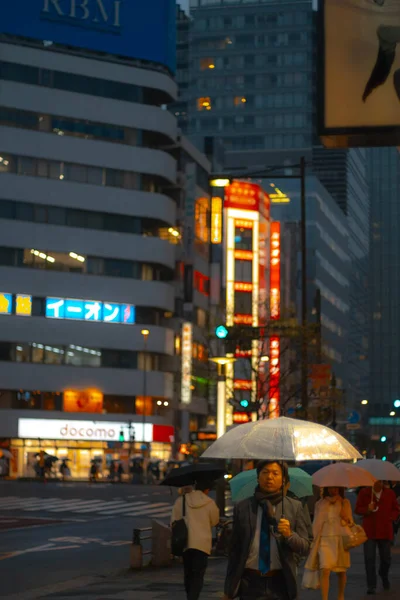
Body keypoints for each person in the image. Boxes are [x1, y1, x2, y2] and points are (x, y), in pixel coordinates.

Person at [223, 460, 313, 600]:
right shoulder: (243, 507)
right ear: (258, 477)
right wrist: (228, 590)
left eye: (275, 473)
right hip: (249, 582)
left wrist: (290, 535)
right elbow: (235, 551)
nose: (269, 477)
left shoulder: (295, 507)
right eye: (265, 472)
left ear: (283, 479)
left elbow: (306, 547)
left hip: (281, 582)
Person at [171, 479, 219, 600]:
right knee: (198, 575)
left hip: (186, 543)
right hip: (202, 544)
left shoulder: (181, 500)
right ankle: (193, 597)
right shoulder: (209, 503)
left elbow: (173, 522)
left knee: (188, 573)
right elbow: (215, 521)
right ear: (207, 490)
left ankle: (190, 596)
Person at [305, 487, 353, 600]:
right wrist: (312, 540)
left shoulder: (345, 502)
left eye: (336, 487)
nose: (334, 490)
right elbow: (316, 522)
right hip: (325, 539)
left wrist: (345, 516)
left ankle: (341, 596)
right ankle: (324, 598)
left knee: (341, 571)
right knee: (324, 569)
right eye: (331, 487)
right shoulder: (320, 503)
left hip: (340, 539)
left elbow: (350, 522)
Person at [355, 479, 400, 594]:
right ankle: (371, 585)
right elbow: (357, 509)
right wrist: (367, 510)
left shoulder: (389, 493)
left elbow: (396, 508)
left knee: (386, 558)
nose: (378, 483)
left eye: (380, 481)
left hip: (385, 530)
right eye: (375, 481)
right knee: (369, 558)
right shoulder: (364, 493)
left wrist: (392, 517)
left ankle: (383, 574)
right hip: (370, 531)